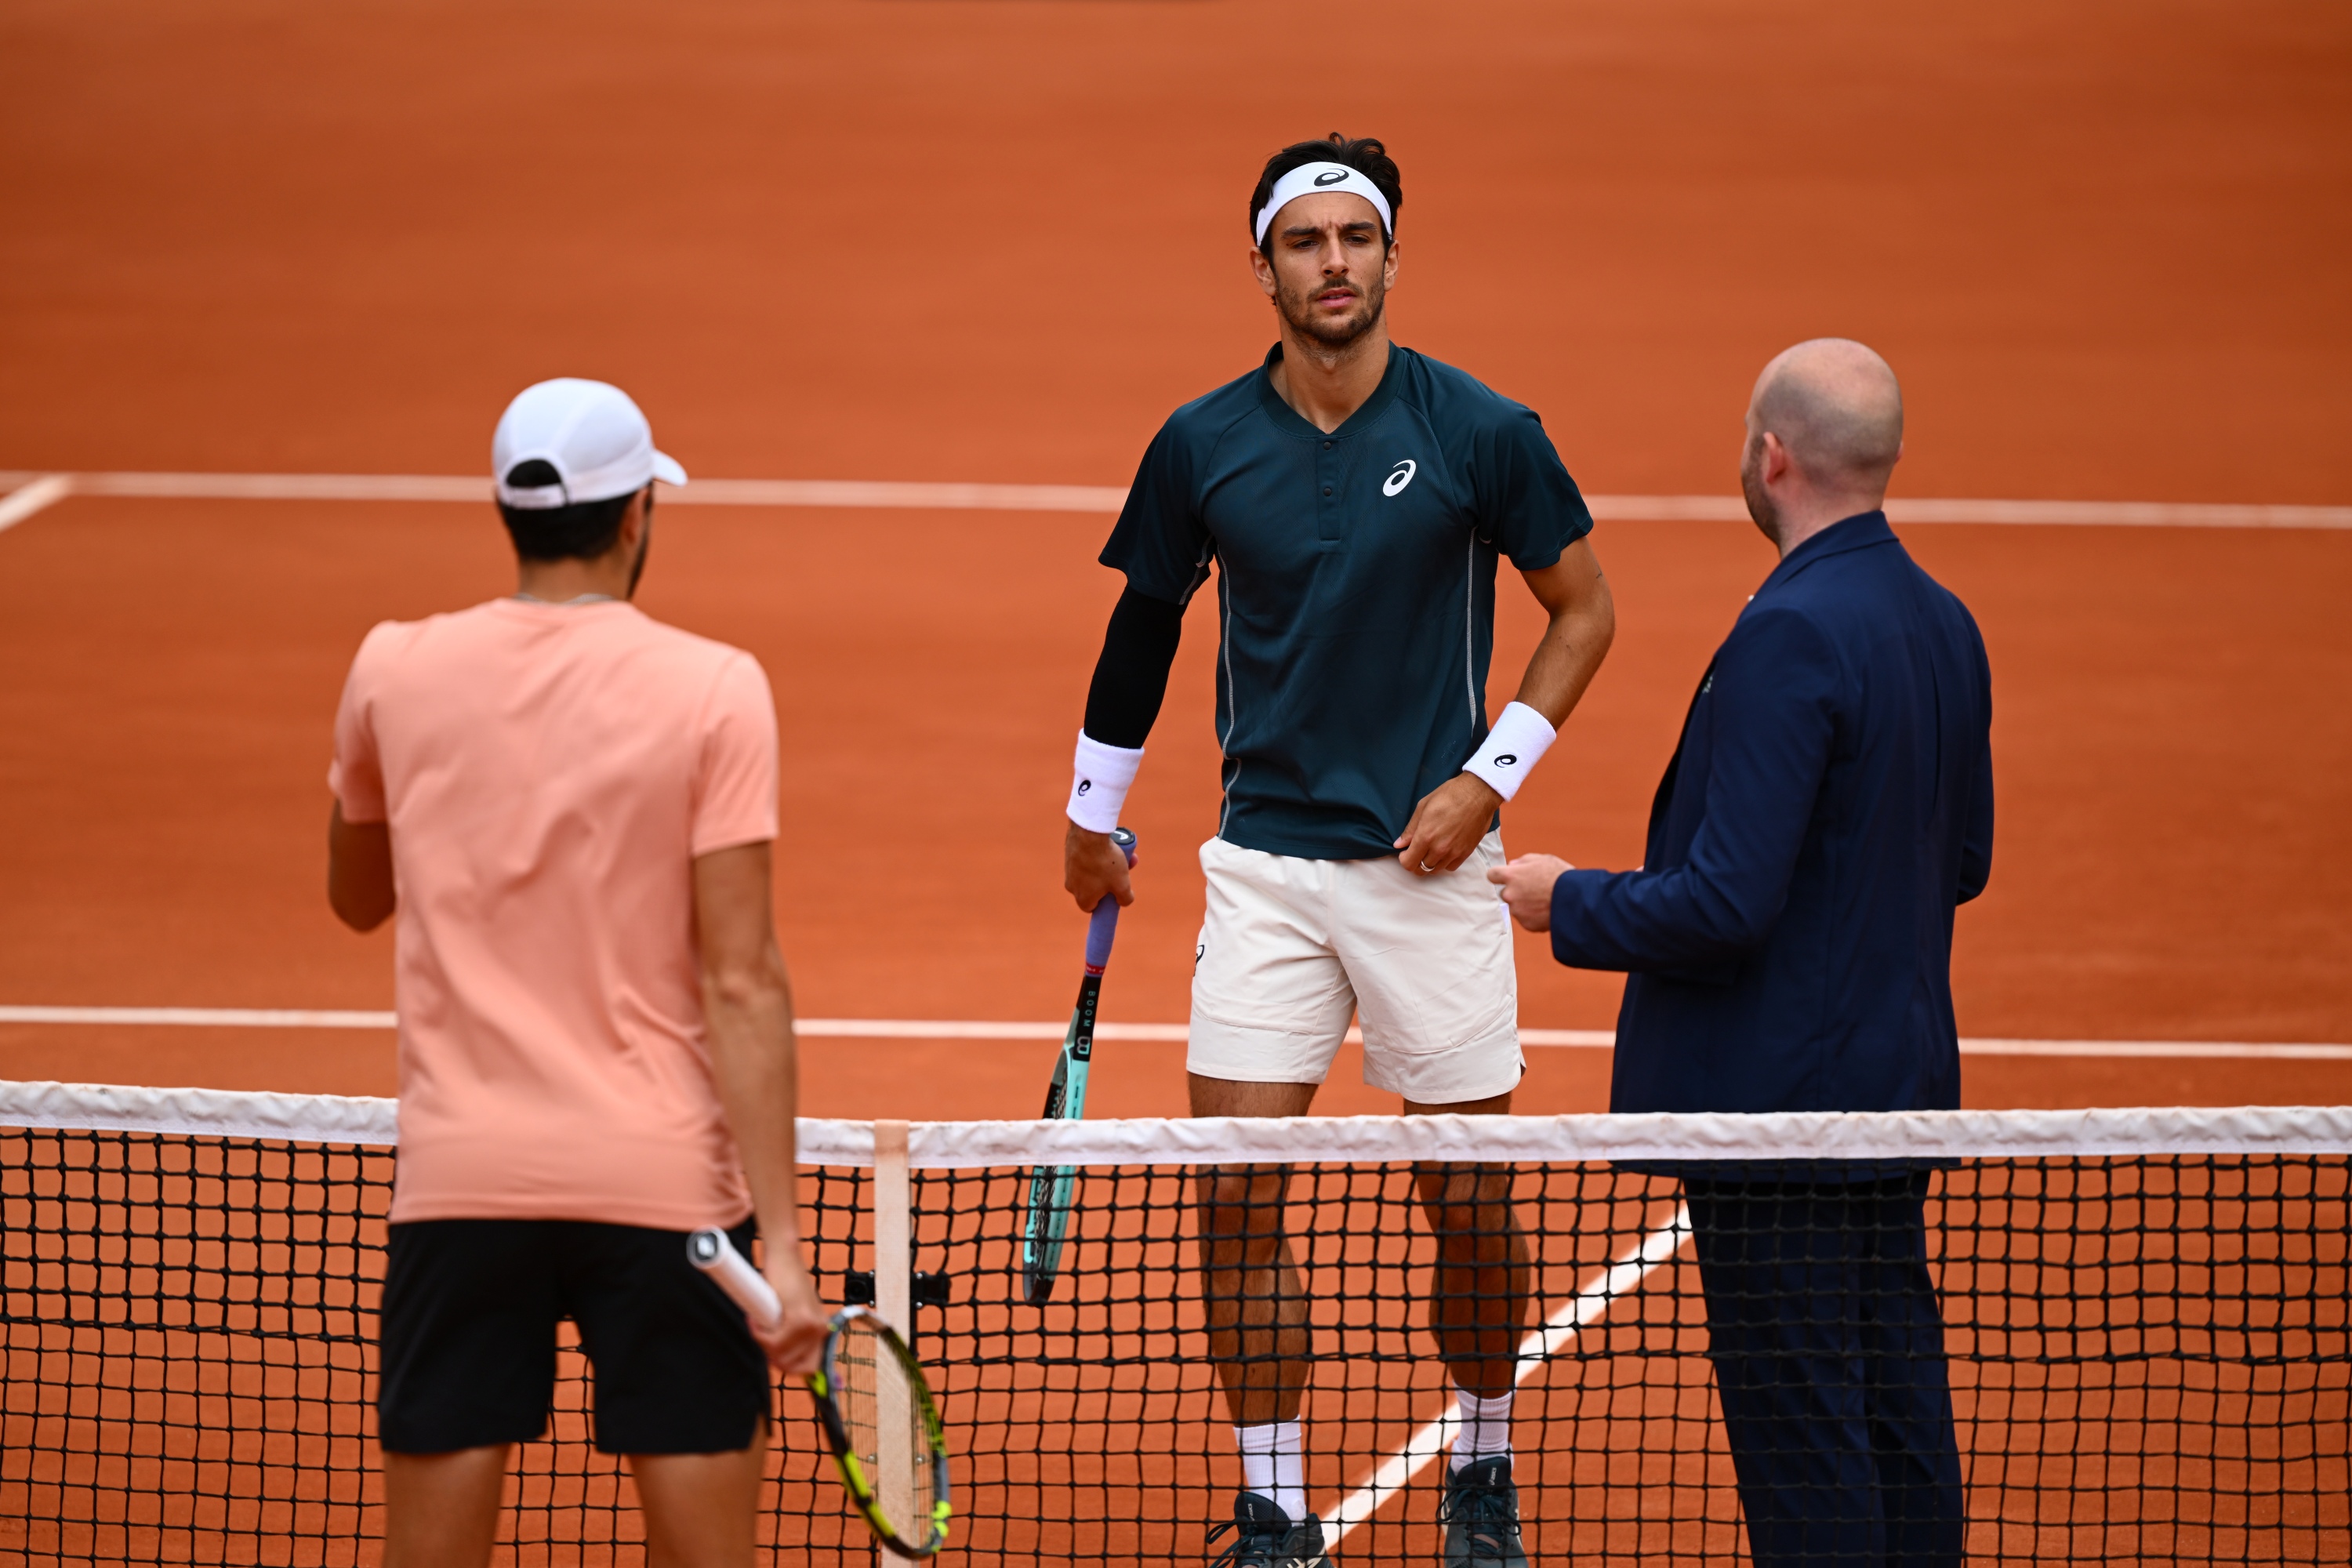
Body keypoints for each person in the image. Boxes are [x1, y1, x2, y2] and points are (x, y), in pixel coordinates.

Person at [1062, 134, 1617, 1568]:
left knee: (1469, 1206)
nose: (1333, 264)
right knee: (1236, 1194)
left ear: (1390, 256)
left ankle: (1481, 1465)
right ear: (1263, 267)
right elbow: (1142, 627)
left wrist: (1486, 782)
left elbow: (1585, 611)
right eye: (1304, 242)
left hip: (1432, 876)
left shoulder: (1481, 429)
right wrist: (1088, 818)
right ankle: (1273, 1506)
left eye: (1355, 238)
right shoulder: (1201, 443)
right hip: (1266, 871)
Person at [1491, 339, 1991, 1568]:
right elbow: (1963, 860)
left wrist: (1568, 901)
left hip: (1780, 1121)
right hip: (1896, 1093)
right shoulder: (1945, 620)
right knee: (1896, 1407)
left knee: (1806, 1441)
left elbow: (1724, 904)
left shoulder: (1793, 633)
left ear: (1772, 458)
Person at [326, 378, 832, 1568]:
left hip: (461, 1187)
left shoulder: (392, 668)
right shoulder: (715, 686)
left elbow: (356, 898)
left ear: (507, 512)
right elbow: (743, 980)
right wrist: (785, 1246)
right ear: (638, 514)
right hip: (668, 1198)